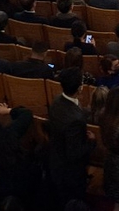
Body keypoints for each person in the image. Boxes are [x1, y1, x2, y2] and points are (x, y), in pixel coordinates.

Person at [48, 67, 97, 208]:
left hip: (56, 160)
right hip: (70, 173)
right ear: (80, 88)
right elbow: (74, 153)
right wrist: (91, 142)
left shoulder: (57, 101)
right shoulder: (76, 120)